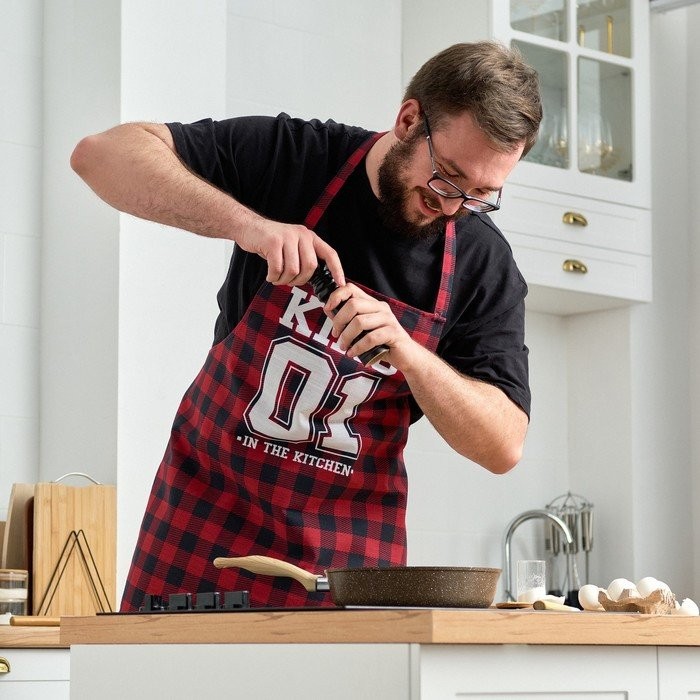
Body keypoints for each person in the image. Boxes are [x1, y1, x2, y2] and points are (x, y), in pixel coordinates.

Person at [71, 41, 542, 610]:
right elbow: (100, 157)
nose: (451, 206)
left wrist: (410, 354)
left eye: (480, 195)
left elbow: (503, 445)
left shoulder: (484, 264)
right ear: (408, 120)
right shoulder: (298, 158)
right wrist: (250, 226)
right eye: (446, 177)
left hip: (350, 564)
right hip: (204, 524)